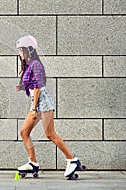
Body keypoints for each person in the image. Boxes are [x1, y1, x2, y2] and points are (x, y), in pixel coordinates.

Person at [15, 35, 82, 178]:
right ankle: (32, 162)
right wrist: (22, 87)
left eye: (21, 50)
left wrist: (34, 108)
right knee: (24, 132)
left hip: (42, 102)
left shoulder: (36, 64)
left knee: (50, 134)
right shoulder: (29, 65)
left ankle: (72, 160)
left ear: (29, 50)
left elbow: (39, 86)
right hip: (36, 101)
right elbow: (32, 85)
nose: (19, 53)